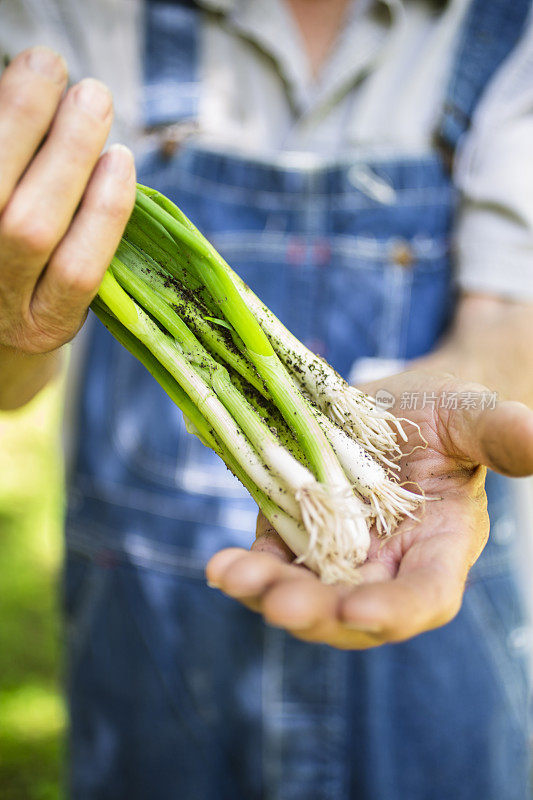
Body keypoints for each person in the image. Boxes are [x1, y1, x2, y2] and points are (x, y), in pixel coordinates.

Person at [1, 0, 533, 797]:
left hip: (444, 652)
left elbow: (511, 312)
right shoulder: (58, 15)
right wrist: (17, 328)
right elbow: (16, 382)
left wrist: (464, 396)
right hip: (152, 642)